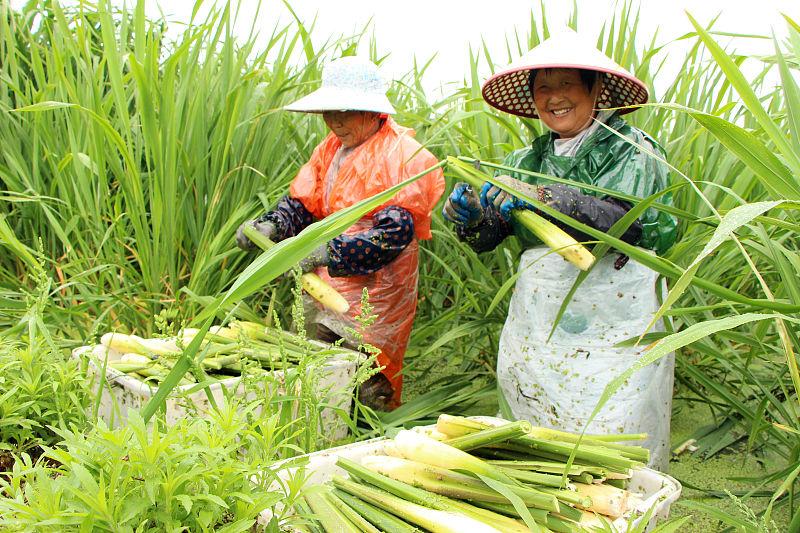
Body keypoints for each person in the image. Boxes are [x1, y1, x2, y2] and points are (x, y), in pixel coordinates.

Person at [443, 30, 678, 469]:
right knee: (538, 428)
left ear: (594, 89)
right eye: (543, 88)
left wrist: (549, 198)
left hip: (616, 320)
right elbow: (498, 231)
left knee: (613, 429)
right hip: (540, 320)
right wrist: (475, 217)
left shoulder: (634, 153)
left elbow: (634, 222)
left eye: (566, 84)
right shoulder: (522, 162)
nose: (554, 98)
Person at [237, 56, 445, 411]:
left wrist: (326, 252)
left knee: (364, 374)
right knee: (312, 361)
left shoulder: (403, 155)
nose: (334, 121)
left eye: (344, 111)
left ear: (371, 110)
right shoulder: (330, 149)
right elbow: (304, 203)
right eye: (328, 111)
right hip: (326, 280)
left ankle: (371, 437)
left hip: (377, 290)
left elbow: (392, 236)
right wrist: (271, 224)